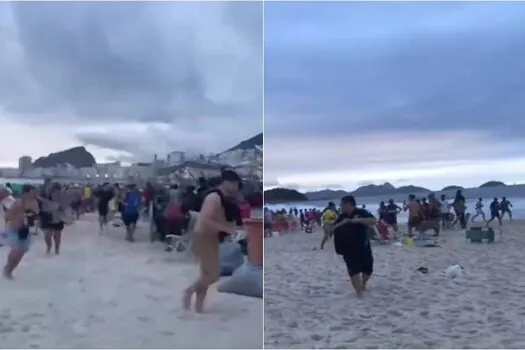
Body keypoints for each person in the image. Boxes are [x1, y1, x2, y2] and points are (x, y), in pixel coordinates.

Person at [183, 170, 242, 313]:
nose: (236, 187)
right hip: (203, 236)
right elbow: (205, 220)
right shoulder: (214, 197)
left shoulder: (222, 198)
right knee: (213, 275)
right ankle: (189, 291)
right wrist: (226, 229)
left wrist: (230, 227)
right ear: (226, 182)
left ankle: (198, 307)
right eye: (234, 184)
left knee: (205, 274)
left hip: (210, 237)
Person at [332, 195, 376, 297]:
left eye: (342, 204)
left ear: (349, 204)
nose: (340, 206)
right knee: (353, 271)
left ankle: (363, 284)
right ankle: (359, 293)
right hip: (348, 248)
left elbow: (373, 221)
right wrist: (341, 224)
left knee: (368, 270)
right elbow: (333, 228)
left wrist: (358, 220)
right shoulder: (342, 216)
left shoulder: (361, 212)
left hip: (363, 246)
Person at [3, 184, 39, 279]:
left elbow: (36, 216)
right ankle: (7, 268)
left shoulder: (34, 202)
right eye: (33, 192)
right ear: (26, 193)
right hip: (14, 228)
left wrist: (31, 218)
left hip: (25, 230)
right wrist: (19, 219)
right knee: (16, 250)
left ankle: (10, 270)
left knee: (21, 253)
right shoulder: (17, 203)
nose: (35, 194)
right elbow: (7, 216)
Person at [40, 183, 66, 255]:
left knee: (57, 235)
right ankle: (49, 246)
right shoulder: (46, 198)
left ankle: (56, 249)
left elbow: (63, 208)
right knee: (47, 235)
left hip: (58, 218)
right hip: (49, 218)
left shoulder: (61, 196)